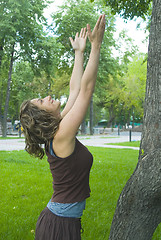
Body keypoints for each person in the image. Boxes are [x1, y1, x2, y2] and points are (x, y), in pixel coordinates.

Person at [20, 14, 105, 240]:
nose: (47, 97)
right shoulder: (60, 136)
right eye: (41, 101)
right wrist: (97, 45)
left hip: (60, 222)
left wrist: (79, 52)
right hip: (58, 226)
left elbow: (75, 91)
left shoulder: (57, 131)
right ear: (41, 116)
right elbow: (86, 91)